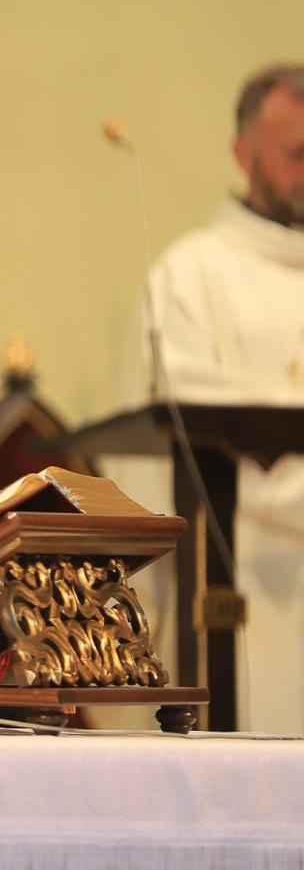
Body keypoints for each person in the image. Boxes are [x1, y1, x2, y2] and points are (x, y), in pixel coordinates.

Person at [141, 62, 304, 733]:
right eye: (297, 154)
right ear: (243, 153)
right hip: (242, 587)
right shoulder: (191, 271)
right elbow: (185, 407)